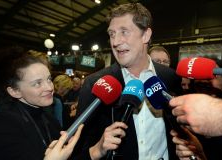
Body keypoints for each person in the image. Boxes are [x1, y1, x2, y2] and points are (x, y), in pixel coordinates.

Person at [73, 3, 182, 160]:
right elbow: (79, 151)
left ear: (146, 35)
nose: (116, 42)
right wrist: (99, 148)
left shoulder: (170, 77)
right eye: (112, 34)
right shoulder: (96, 84)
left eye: (124, 32)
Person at [0, 46, 83, 160]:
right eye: (37, 83)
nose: (50, 87)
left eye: (49, 79)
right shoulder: (3, 126)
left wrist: (96, 151)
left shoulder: (50, 119)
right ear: (15, 91)